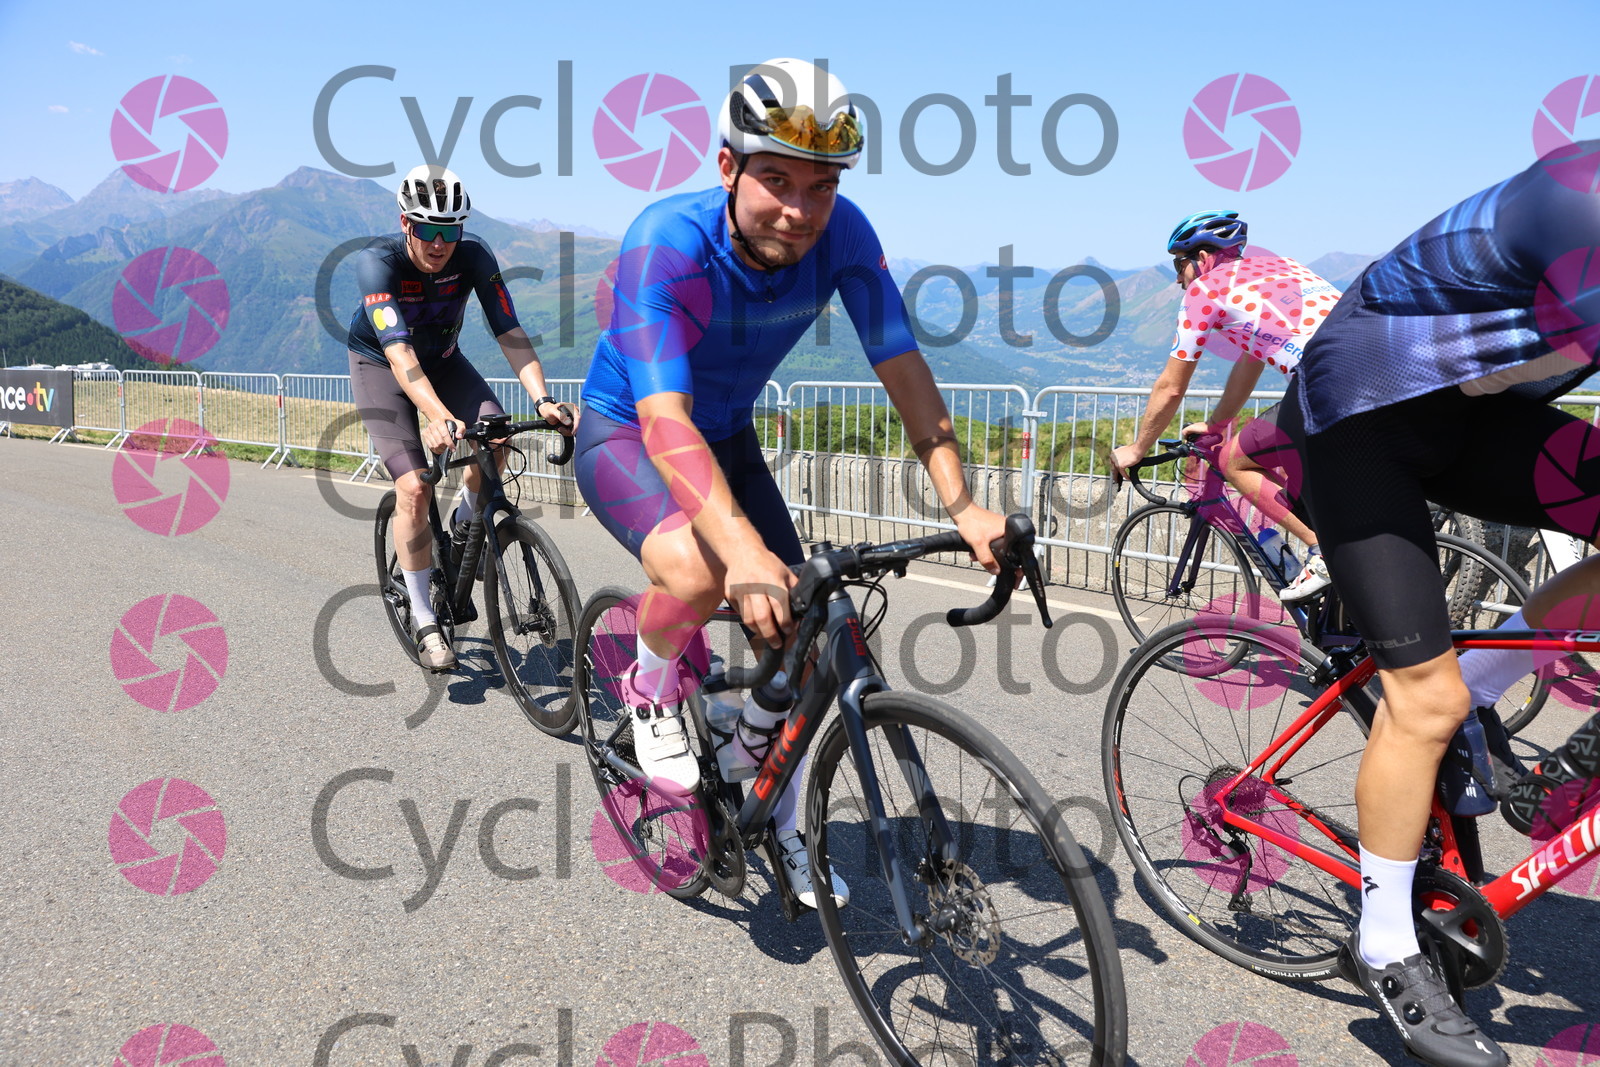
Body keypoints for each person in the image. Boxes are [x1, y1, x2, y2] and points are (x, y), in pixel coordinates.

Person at [573, 58, 1008, 908]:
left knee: (803, 625)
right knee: (700, 572)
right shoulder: (665, 242)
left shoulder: (844, 236)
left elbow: (902, 367)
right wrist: (737, 548)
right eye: (776, 179)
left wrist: (964, 504)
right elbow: (664, 420)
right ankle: (649, 684)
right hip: (630, 430)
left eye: (822, 186)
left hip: (727, 434)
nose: (801, 210)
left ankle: (769, 796)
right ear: (727, 166)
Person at [1277, 140, 1600, 1067]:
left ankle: (1486, 685)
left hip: (1467, 411)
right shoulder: (1581, 199)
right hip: (1361, 418)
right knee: (1425, 699)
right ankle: (1384, 943)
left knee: (1458, 694)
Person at [347, 164, 573, 671]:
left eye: (450, 231)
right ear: (406, 223)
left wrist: (542, 400)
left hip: (445, 362)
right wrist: (438, 416)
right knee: (414, 488)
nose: (439, 243)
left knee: (497, 437)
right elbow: (400, 353)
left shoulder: (474, 256)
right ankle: (424, 616)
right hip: (381, 365)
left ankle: (466, 525)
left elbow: (509, 330)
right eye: (428, 229)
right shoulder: (377, 264)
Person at [1108, 211, 1341, 600]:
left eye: (1178, 265)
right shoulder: (1283, 267)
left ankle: (1324, 553)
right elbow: (1252, 360)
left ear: (1201, 258)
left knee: (1235, 461)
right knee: (1303, 476)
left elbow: (1170, 387)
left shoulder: (1204, 290)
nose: (1178, 279)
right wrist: (1217, 424)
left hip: (1326, 384)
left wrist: (1136, 448)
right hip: (1390, 370)